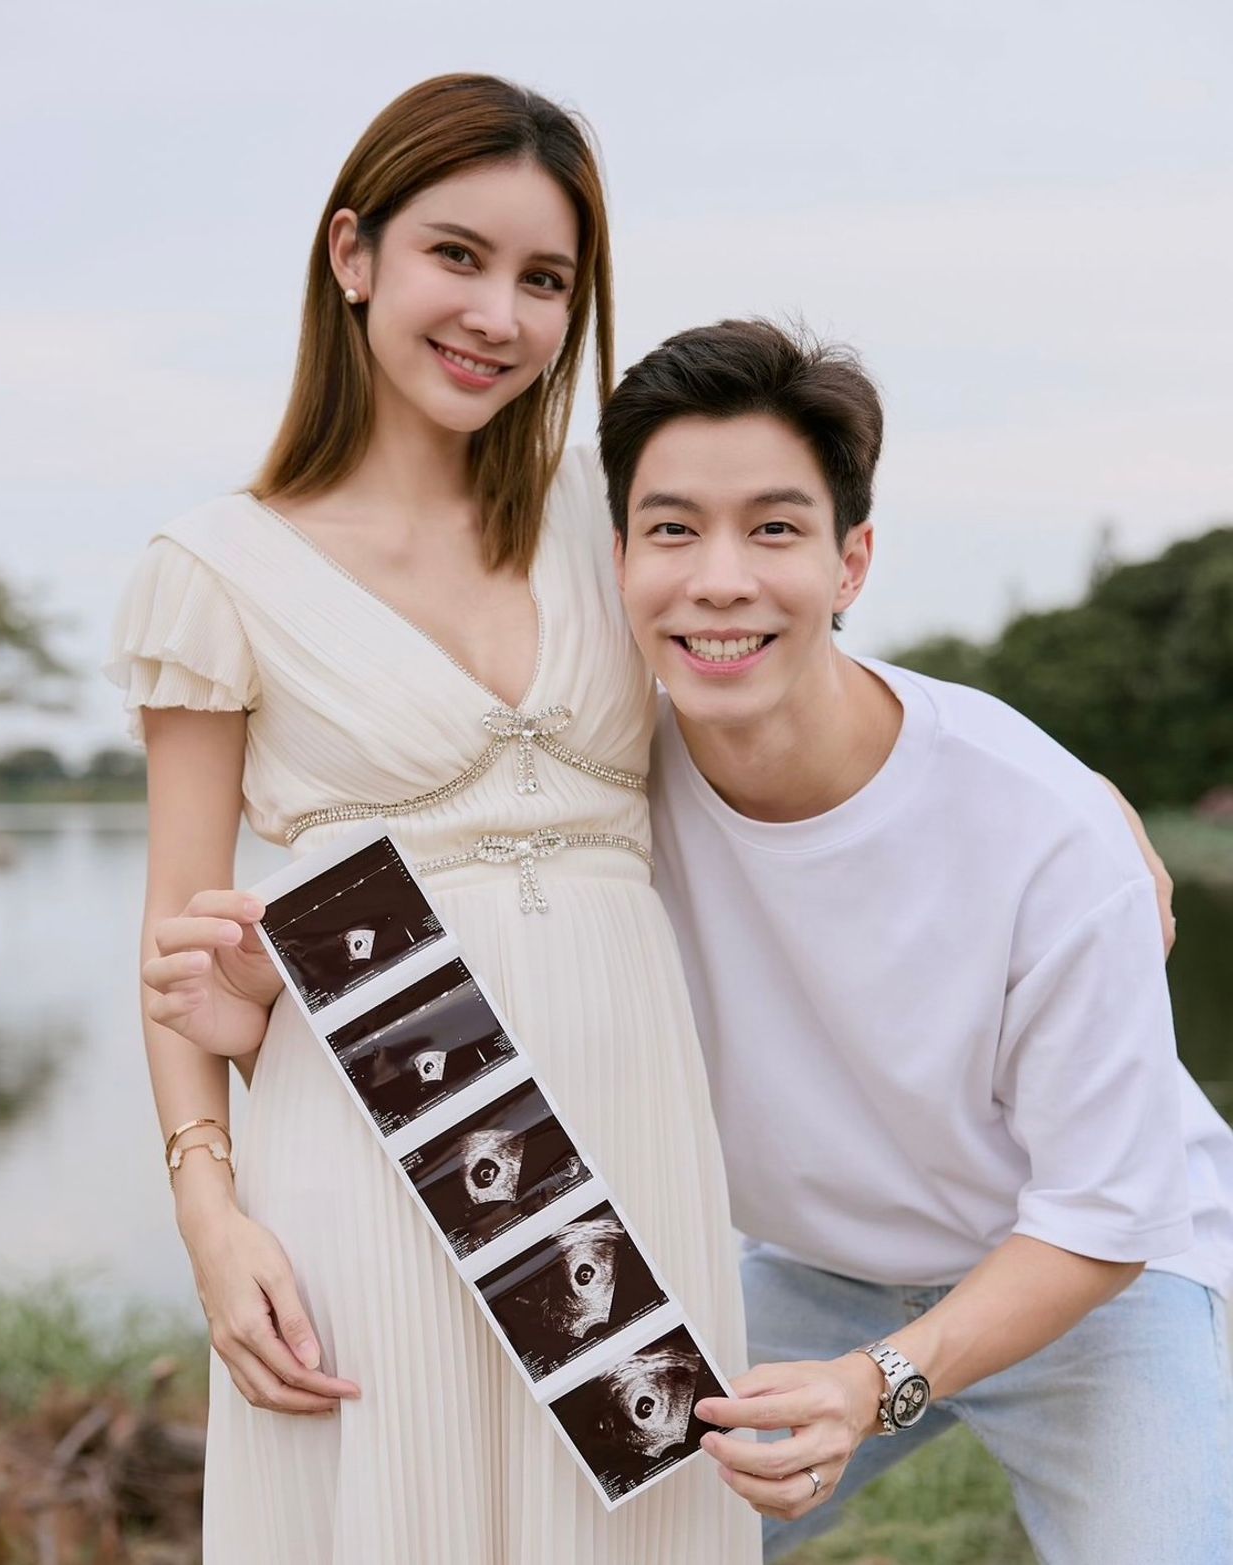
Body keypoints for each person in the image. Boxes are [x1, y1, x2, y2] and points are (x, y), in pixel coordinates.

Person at [107, 76, 758, 1564]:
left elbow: (793, 677)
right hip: (371, 1134)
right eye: (456, 255)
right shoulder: (217, 568)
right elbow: (177, 935)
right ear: (354, 254)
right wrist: (212, 1215)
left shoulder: (615, 514)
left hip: (632, 1134)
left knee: (645, 1515)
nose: (497, 316)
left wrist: (1072, 797)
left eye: (546, 279)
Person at [601, 317, 1233, 1564]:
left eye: (772, 529)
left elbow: (1104, 1209)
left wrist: (872, 1384)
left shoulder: (1043, 825)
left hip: (1089, 1274)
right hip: (807, 1273)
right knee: (592, 1536)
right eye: (671, 529)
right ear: (614, 557)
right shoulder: (594, 789)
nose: (717, 579)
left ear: (850, 563)